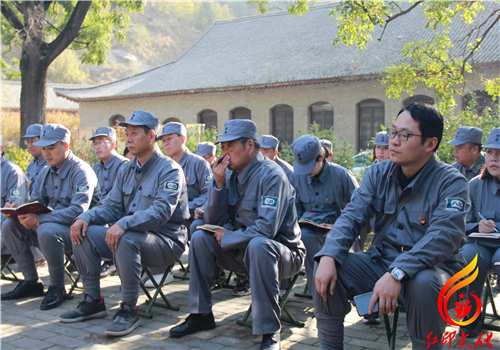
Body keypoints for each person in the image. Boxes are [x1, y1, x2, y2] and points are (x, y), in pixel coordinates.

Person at [313, 102, 469, 350]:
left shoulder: (452, 183)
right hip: (382, 262)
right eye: (393, 132)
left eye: (404, 135)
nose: (393, 141)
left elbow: (444, 236)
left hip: (436, 270)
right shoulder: (378, 173)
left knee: (423, 283)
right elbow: (352, 216)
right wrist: (329, 254)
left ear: (431, 143)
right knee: (327, 266)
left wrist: (398, 272)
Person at [170, 119, 305, 350]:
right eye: (222, 148)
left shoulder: (272, 175)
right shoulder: (229, 173)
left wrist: (230, 237)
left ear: (250, 146)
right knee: (201, 236)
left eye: (229, 146)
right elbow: (213, 220)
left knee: (259, 245)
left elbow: (266, 229)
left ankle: (270, 331)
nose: (225, 154)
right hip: (244, 250)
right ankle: (201, 314)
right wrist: (219, 184)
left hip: (282, 254)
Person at [61, 111, 189, 337]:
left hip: (165, 241)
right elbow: (111, 206)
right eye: (126, 134)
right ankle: (93, 301)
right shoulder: (126, 169)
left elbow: (160, 213)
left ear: (151, 136)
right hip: (130, 238)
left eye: (134, 134)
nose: (128, 139)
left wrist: (124, 224)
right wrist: (84, 217)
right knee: (84, 231)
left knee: (125, 237)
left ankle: (129, 309)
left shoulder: (170, 169)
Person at [1, 124, 100, 310]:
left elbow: (78, 210)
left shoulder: (81, 172)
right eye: (44, 148)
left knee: (46, 229)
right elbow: (35, 202)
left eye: (51, 148)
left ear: (66, 146)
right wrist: (18, 210)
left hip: (82, 231)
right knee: (9, 225)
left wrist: (39, 220)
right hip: (54, 229)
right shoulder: (45, 172)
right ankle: (31, 282)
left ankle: (57, 286)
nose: (46, 153)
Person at [290, 135, 358, 295]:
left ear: (321, 158)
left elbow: (358, 209)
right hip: (308, 228)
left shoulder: (342, 176)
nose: (305, 172)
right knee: (305, 237)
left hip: (339, 228)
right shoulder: (297, 176)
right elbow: (296, 206)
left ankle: (340, 294)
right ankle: (319, 296)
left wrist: (339, 227)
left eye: (309, 166)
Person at [459, 128, 500, 337]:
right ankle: (470, 318)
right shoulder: (474, 185)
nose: (494, 159)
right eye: (491, 153)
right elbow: (459, 222)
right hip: (481, 244)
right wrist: (477, 226)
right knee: (468, 257)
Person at [89, 127, 129, 278]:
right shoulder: (94, 168)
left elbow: (121, 199)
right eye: (95, 143)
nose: (97, 146)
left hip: (118, 212)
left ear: (113, 145)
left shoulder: (124, 166)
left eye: (101, 142)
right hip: (100, 209)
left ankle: (111, 260)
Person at [20, 124, 48, 267]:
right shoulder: (32, 165)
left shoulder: (49, 163)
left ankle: (42, 256)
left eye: (33, 141)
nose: (30, 145)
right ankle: (33, 259)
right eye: (28, 142)